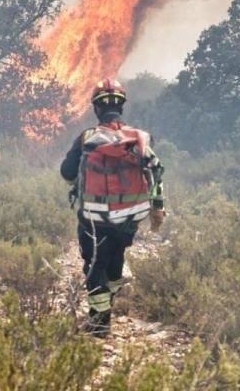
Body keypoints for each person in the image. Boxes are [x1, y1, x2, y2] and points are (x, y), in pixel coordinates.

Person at [60, 78, 165, 337]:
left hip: (94, 218)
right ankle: (109, 300)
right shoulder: (138, 139)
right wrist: (157, 208)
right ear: (122, 106)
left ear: (97, 109)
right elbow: (156, 172)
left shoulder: (87, 138)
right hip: (130, 216)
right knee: (116, 258)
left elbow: (66, 172)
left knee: (95, 266)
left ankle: (99, 324)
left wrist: (80, 180)